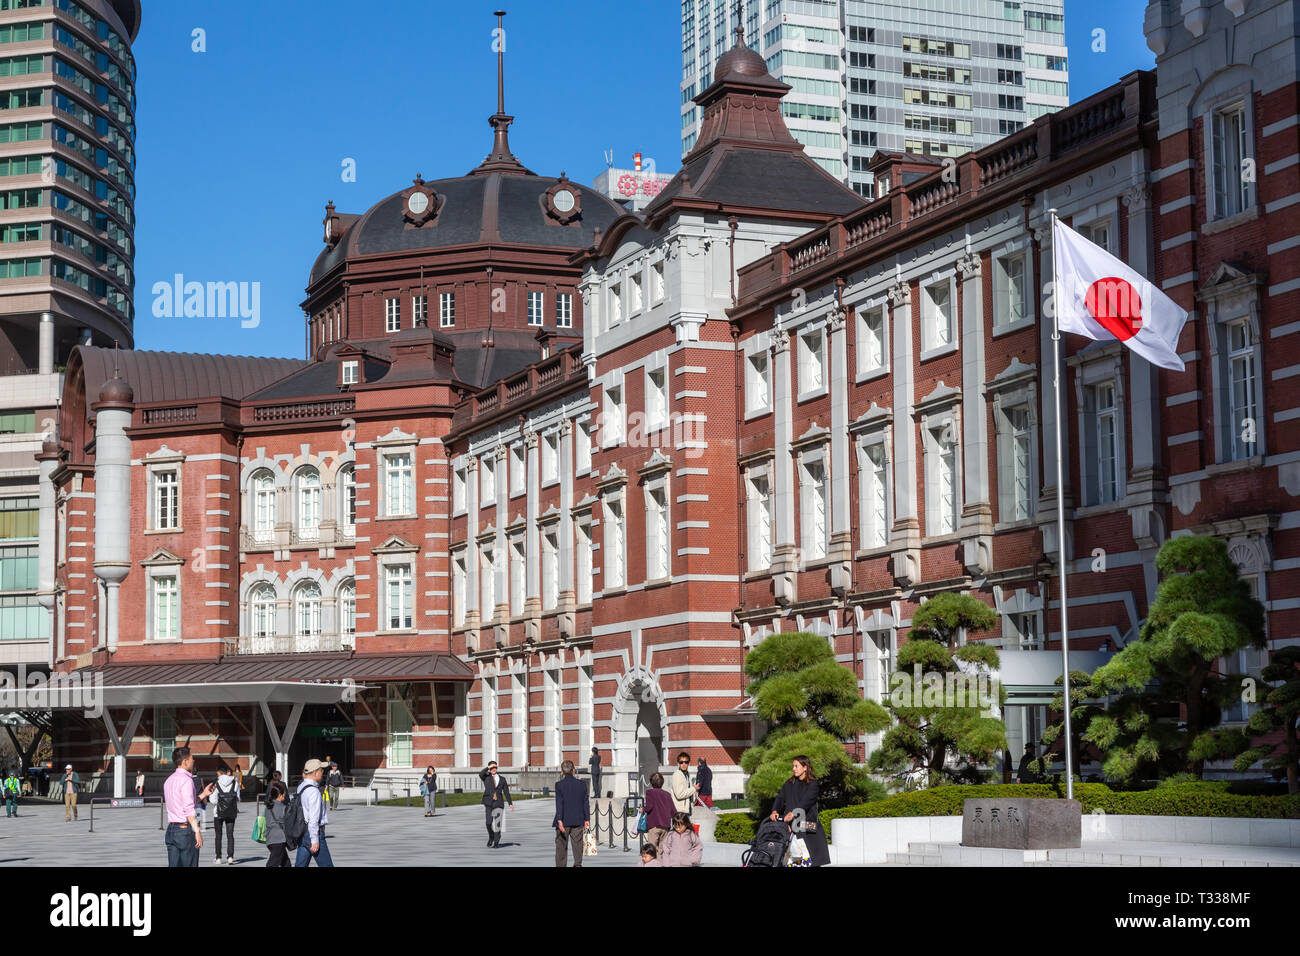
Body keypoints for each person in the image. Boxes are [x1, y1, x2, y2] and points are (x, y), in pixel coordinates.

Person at [770, 755, 830, 867]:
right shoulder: (789, 783)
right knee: (790, 861)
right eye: (793, 766)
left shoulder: (813, 784)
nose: (794, 769)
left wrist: (793, 813)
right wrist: (774, 811)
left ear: (805, 767)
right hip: (790, 826)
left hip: (807, 826)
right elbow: (780, 798)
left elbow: (806, 802)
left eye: (796, 766)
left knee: (809, 859)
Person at [164, 747, 214, 867]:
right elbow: (188, 808)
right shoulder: (186, 780)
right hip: (185, 832)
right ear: (185, 761)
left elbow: (184, 803)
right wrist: (197, 831)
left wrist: (204, 794)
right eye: (192, 758)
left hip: (171, 830)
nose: (194, 760)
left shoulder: (169, 780)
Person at [294, 758, 333, 867]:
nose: (322, 773)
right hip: (313, 833)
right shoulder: (314, 792)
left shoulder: (301, 787)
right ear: (315, 772)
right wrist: (315, 839)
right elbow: (313, 818)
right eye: (321, 770)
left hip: (303, 831)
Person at [553, 759, 590, 868]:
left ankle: (561, 865)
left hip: (563, 820)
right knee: (577, 845)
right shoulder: (582, 784)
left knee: (561, 847)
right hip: (578, 819)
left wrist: (559, 820)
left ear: (562, 772)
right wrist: (587, 819)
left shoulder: (559, 785)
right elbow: (585, 802)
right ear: (573, 770)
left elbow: (559, 803)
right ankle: (577, 864)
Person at [479, 761, 513, 848]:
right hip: (489, 803)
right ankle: (491, 837)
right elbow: (481, 773)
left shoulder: (502, 779)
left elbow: (506, 792)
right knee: (488, 823)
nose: (494, 769)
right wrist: (488, 767)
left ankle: (496, 842)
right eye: (492, 768)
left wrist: (510, 803)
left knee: (497, 824)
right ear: (489, 769)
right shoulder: (486, 777)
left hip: (498, 803)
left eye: (495, 767)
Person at [211, 765, 240, 864]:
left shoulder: (217, 783)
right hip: (231, 811)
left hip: (217, 813)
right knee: (230, 835)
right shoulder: (235, 782)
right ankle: (230, 857)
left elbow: (213, 800)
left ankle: (218, 858)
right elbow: (238, 798)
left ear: (219, 773)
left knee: (218, 835)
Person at [643, 771, 674, 853]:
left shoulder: (650, 793)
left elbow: (649, 807)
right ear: (662, 782)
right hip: (665, 826)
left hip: (654, 825)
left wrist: (643, 809)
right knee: (662, 850)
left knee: (652, 850)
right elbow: (673, 810)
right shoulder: (667, 794)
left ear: (651, 782)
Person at [263, 780, 290, 867]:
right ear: (280, 795)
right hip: (279, 839)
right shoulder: (283, 807)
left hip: (270, 838)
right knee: (273, 863)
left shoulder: (268, 806)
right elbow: (287, 822)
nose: (285, 796)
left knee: (286, 863)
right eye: (284, 794)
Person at [669, 752, 698, 818]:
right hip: (679, 811)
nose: (684, 764)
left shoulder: (687, 774)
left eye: (686, 762)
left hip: (686, 810)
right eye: (681, 762)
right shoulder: (677, 775)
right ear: (678, 763)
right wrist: (693, 789)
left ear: (689, 763)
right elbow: (679, 795)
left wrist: (693, 797)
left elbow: (687, 790)